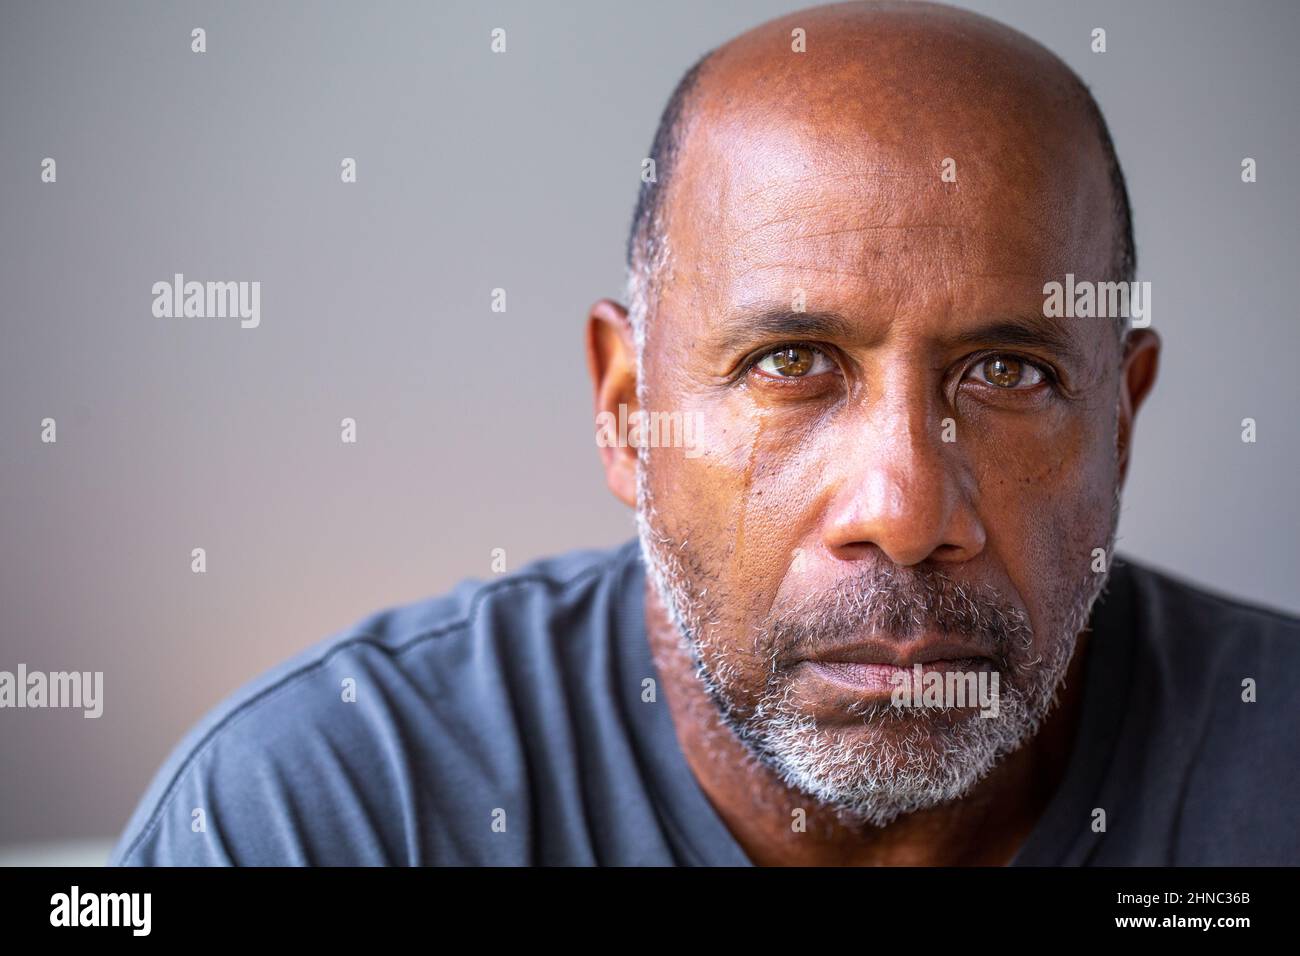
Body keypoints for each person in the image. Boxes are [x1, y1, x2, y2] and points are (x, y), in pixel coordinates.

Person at [112, 1, 1300, 867]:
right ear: (627, 410)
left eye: (1006, 371)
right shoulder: (322, 816)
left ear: (1121, 421)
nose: (902, 505)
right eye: (790, 363)